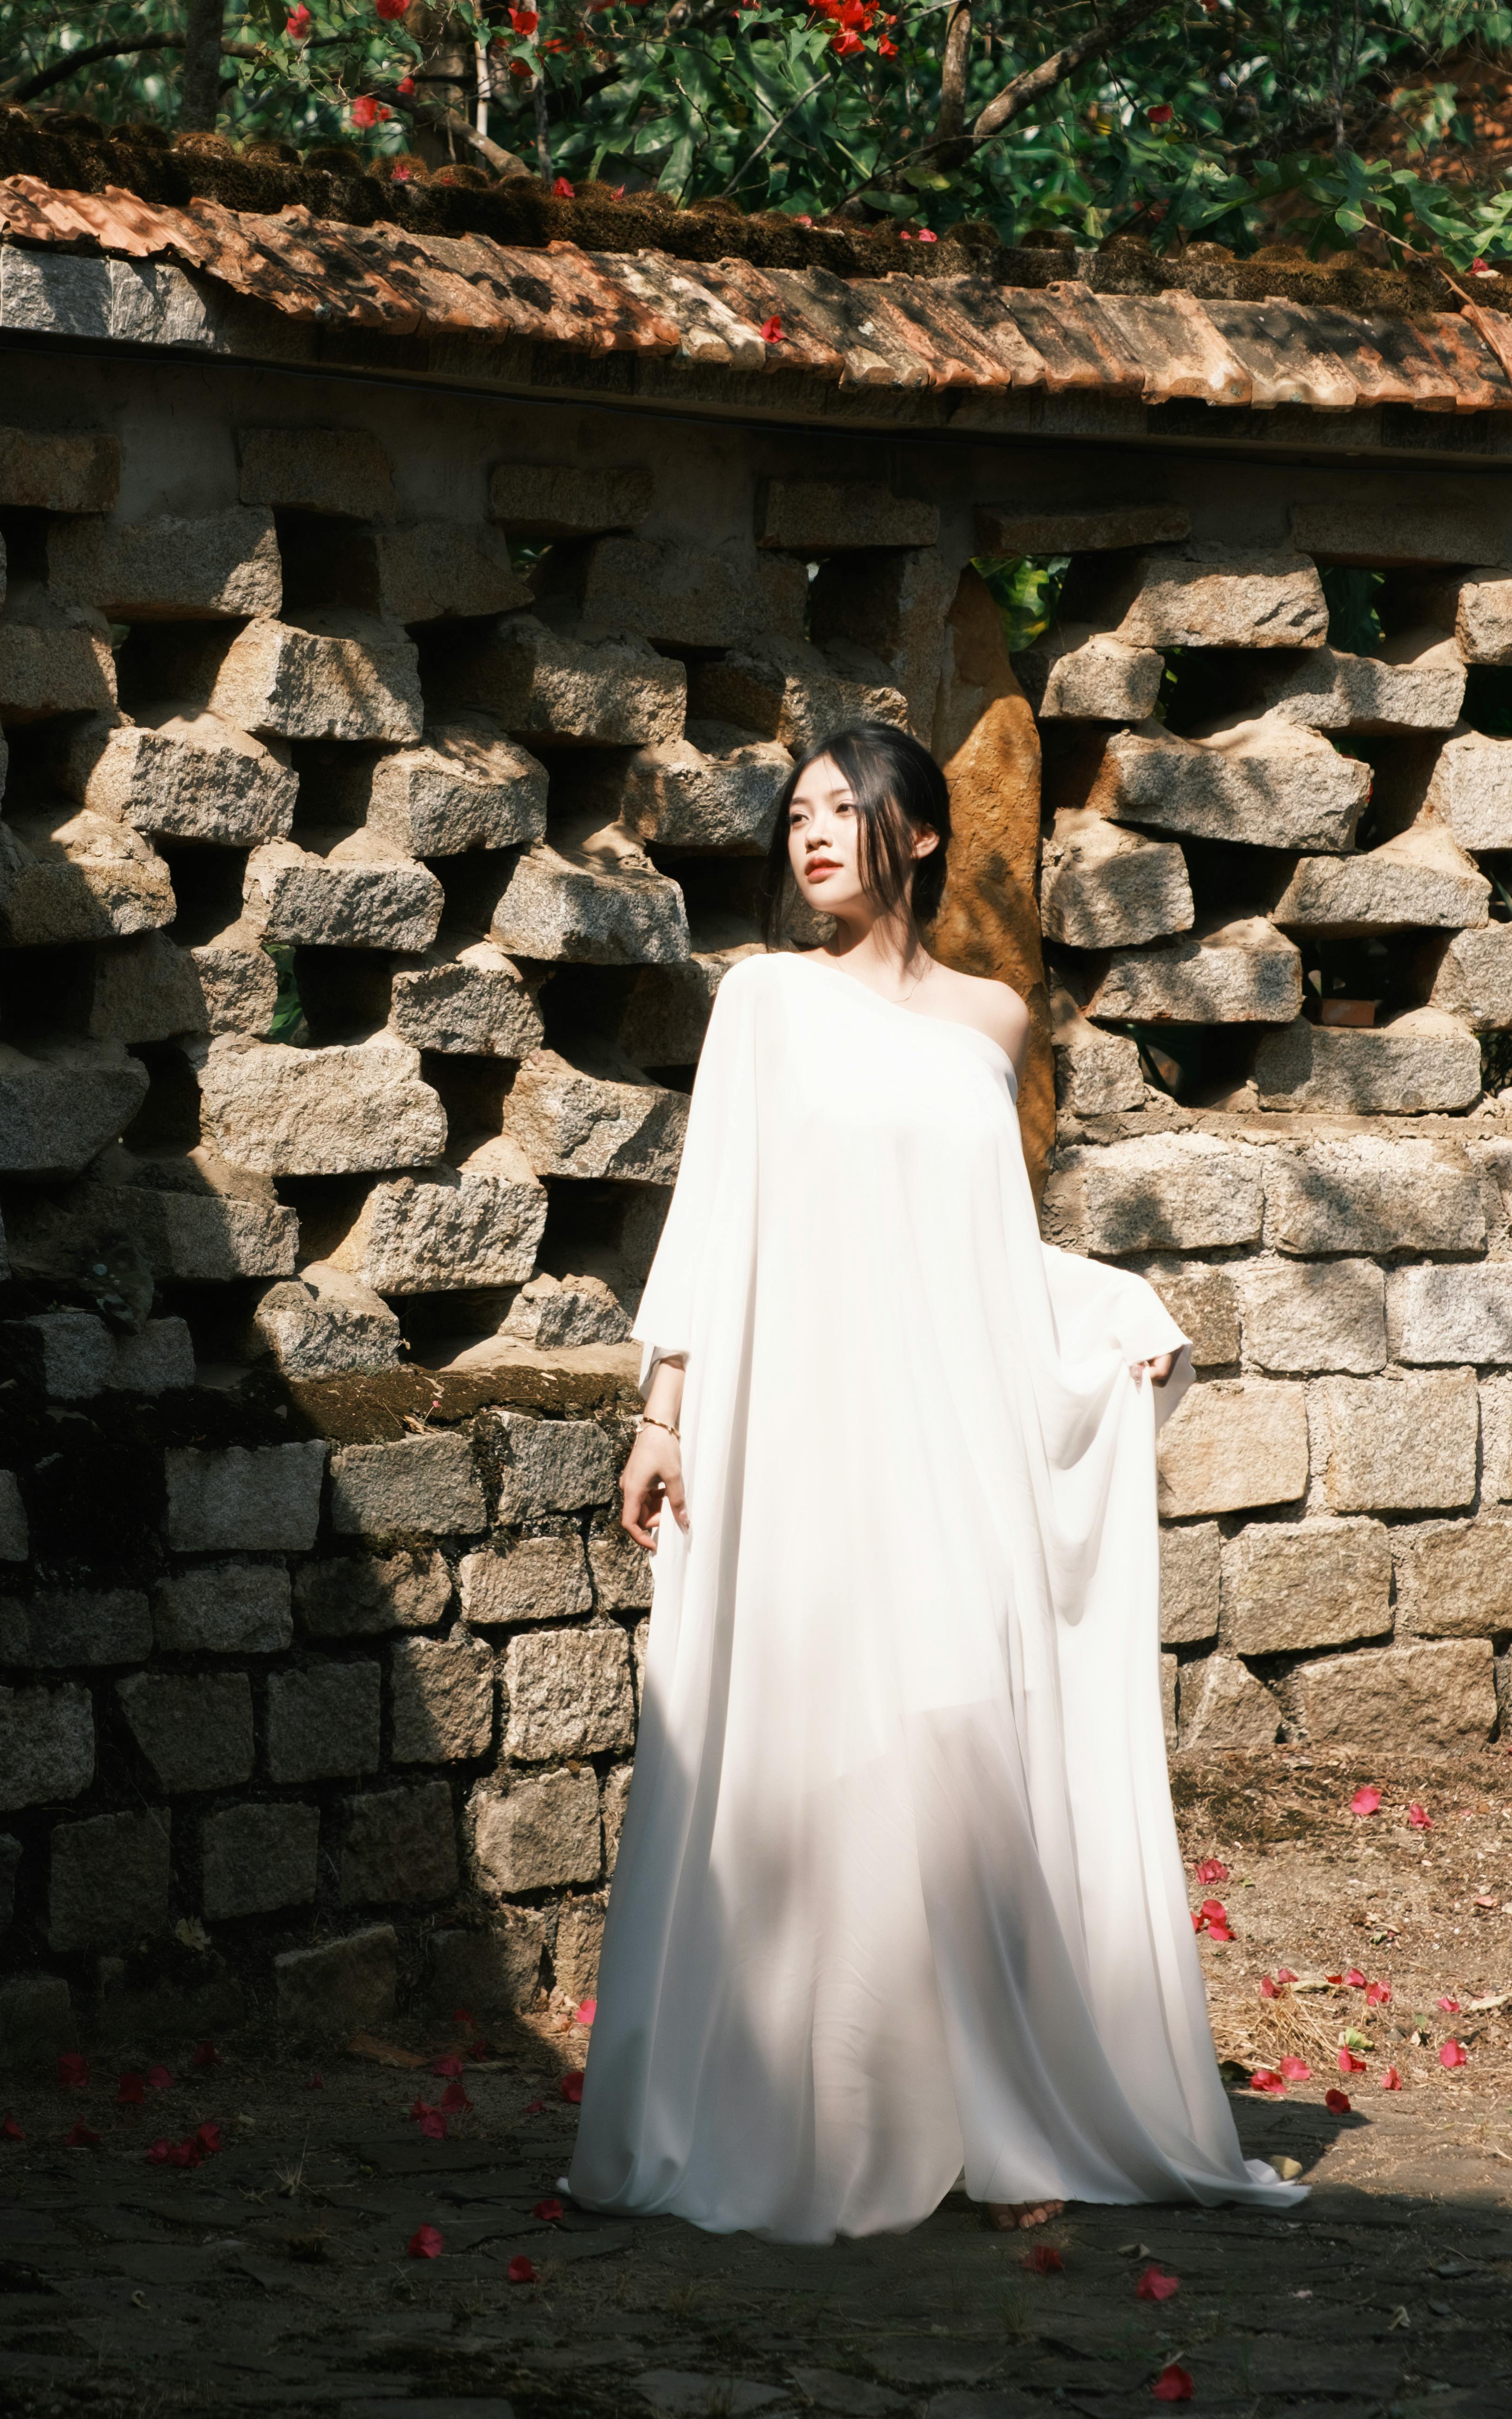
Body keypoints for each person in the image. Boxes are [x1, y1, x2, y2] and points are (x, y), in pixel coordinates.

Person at [567, 722, 1303, 2243]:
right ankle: (823, 2109)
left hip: (947, 1435)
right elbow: (716, 1216)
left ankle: (978, 2098)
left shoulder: (996, 1021)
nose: (812, 834)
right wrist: (664, 1410)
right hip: (805, 1433)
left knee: (957, 1738)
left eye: (845, 809)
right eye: (799, 814)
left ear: (917, 833)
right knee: (817, 1742)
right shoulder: (766, 1001)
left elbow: (979, 1248)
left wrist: (1106, 1325)